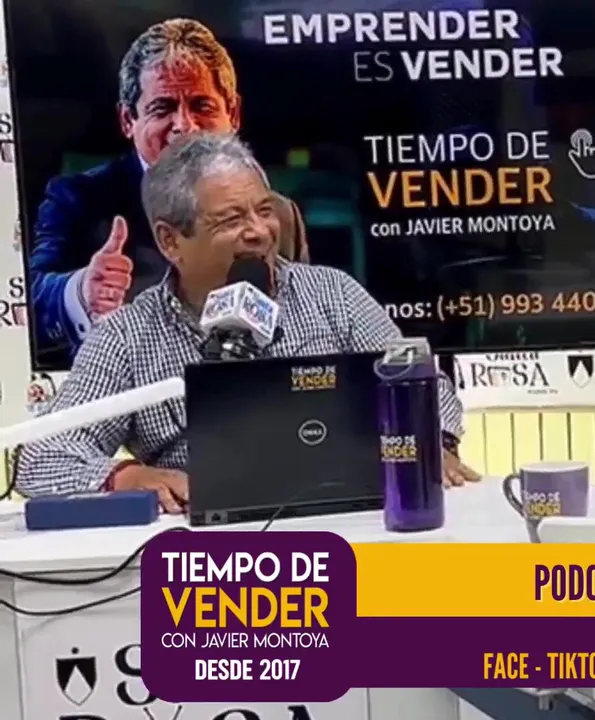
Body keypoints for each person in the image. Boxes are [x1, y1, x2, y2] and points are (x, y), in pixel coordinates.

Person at [15, 132, 479, 511]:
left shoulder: (334, 294)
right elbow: (40, 456)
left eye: (264, 210)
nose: (259, 231)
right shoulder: (127, 336)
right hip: (215, 553)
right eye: (231, 219)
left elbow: (425, 386)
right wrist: (125, 476)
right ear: (171, 241)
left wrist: (430, 441)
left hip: (353, 523)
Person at [25, 18, 307, 362]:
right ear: (128, 120)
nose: (185, 126)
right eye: (163, 108)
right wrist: (81, 292)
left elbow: (301, 329)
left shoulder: (279, 216)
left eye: (202, 106)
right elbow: (26, 303)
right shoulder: (79, 199)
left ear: (233, 114)